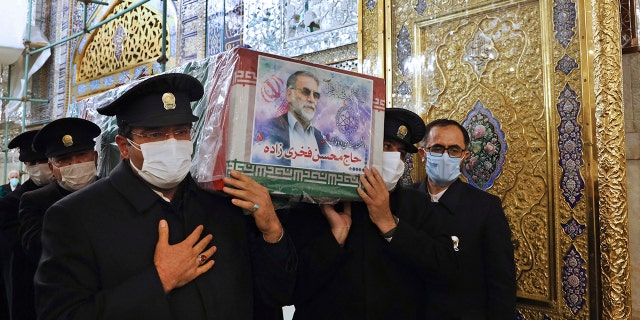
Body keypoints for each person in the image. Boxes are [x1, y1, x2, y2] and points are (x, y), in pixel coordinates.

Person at [34, 73, 296, 320]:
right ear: (124, 146)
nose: (172, 143)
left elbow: (274, 296)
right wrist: (159, 280)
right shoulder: (76, 217)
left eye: (181, 131)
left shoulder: (222, 202)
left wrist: (272, 232)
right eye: (155, 134)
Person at [281, 108, 458, 320]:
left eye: (400, 152)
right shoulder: (318, 201)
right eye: (386, 147)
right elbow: (288, 289)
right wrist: (335, 237)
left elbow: (445, 271)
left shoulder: (418, 204)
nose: (394, 158)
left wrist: (391, 225)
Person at [413, 118, 516, 319]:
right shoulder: (404, 199)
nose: (445, 156)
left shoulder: (485, 207)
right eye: (436, 148)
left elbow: (501, 283)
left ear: (464, 156)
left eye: (453, 150)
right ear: (422, 153)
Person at [14, 119, 100, 320]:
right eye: (64, 160)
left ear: (95, 157)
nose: (75, 165)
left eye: (81, 156)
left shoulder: (113, 191)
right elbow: (35, 248)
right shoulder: (35, 201)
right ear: (52, 167)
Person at [0, 130, 55, 320]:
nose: (40, 167)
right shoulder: (10, 204)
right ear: (26, 166)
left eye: (43, 160)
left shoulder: (74, 194)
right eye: (33, 163)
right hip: (26, 290)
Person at [253, 70, 330, 168]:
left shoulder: (321, 139)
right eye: (305, 92)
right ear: (289, 94)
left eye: (316, 95)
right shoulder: (269, 128)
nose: (311, 99)